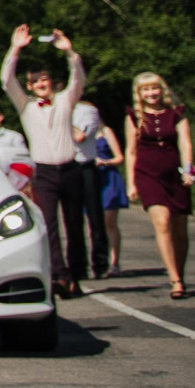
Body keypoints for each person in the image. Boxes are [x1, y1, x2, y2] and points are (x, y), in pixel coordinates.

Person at [2, 23, 92, 298]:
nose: (41, 85)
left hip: (70, 169)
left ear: (51, 82)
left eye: (44, 80)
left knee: (75, 224)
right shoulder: (27, 106)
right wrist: (15, 49)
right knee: (49, 225)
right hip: (44, 172)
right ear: (29, 86)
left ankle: (76, 273)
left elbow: (78, 80)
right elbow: (7, 80)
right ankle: (59, 275)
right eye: (35, 82)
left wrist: (69, 53)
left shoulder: (65, 101)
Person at [124, 71, 195, 299]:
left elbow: (185, 144)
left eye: (154, 88)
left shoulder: (177, 113)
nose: (151, 93)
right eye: (146, 89)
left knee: (180, 230)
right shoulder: (134, 116)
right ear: (139, 93)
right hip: (148, 174)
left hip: (174, 175)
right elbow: (131, 151)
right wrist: (131, 183)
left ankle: (180, 273)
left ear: (161, 89)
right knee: (162, 222)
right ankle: (174, 279)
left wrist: (188, 170)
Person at [70, 99, 112, 280]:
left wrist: (62, 118)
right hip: (67, 166)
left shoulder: (87, 111)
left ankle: (100, 262)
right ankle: (78, 265)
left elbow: (80, 136)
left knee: (95, 217)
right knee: (72, 219)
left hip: (86, 166)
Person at [90, 112, 128, 278]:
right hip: (91, 179)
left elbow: (120, 157)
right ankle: (98, 261)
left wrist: (105, 161)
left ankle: (114, 262)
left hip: (108, 176)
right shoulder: (79, 133)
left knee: (109, 221)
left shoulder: (106, 131)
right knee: (95, 223)